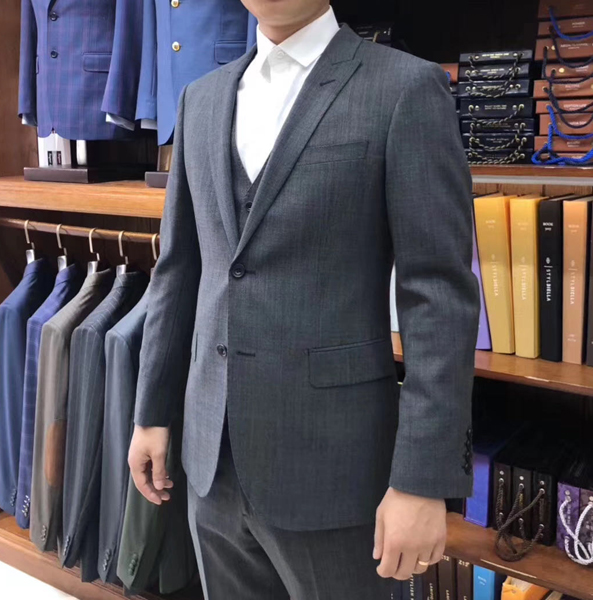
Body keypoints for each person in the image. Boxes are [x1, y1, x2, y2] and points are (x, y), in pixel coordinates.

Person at [128, 0, 479, 598]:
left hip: (337, 474)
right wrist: (151, 412)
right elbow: (179, 270)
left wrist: (423, 479)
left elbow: (437, 295)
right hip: (212, 464)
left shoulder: (405, 89)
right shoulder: (200, 99)